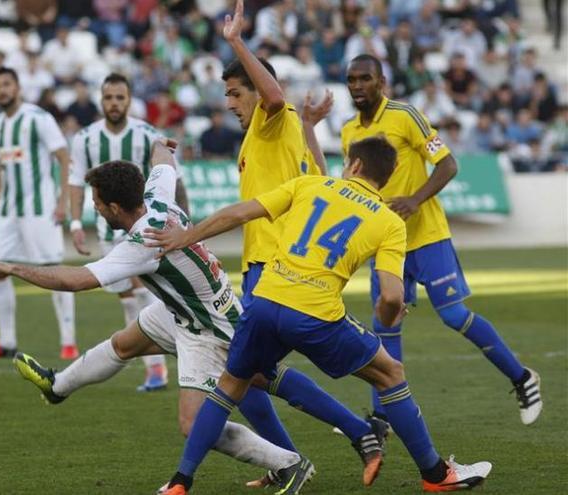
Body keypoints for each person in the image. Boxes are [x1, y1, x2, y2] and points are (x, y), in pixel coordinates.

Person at [0, 141, 390, 493]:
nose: (97, 210)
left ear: (115, 206)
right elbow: (163, 165)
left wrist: (13, 268)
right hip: (182, 310)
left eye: (99, 204)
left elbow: (77, 280)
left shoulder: (142, 242)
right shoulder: (156, 198)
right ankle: (58, 385)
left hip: (208, 326)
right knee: (125, 344)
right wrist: (160, 145)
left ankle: (293, 462)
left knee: (210, 414)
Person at [150, 136, 493, 494]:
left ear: (355, 166)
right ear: (386, 178)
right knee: (390, 373)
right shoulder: (389, 222)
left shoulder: (309, 185)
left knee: (229, 387)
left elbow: (238, 213)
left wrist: (186, 237)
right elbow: (391, 295)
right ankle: (437, 475)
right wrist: (389, 313)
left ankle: (179, 482)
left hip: (264, 300)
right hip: (315, 313)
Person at [218, 3, 391, 475]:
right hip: (281, 267)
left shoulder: (269, 118)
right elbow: (319, 177)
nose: (230, 103)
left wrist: (236, 42)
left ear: (256, 89)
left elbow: (273, 96)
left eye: (236, 93)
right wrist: (313, 129)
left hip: (272, 269)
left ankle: (345, 437)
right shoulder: (288, 128)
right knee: (252, 376)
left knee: (247, 374)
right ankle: (293, 459)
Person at [341, 54, 541, 426]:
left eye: (364, 78)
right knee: (385, 326)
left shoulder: (406, 116)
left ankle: (522, 377)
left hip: (427, 236)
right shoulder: (348, 131)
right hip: (386, 246)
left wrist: (415, 200)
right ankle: (381, 419)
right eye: (351, 79)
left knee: (453, 315)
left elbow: (448, 164)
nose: (357, 86)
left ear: (381, 81)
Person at [67, 72, 193, 391]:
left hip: (144, 226)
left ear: (129, 100)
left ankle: (162, 366)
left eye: (120, 97)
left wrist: (186, 227)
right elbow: (75, 182)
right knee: (126, 295)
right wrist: (77, 223)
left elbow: (173, 180)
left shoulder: (146, 134)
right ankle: (157, 365)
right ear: (101, 100)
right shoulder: (84, 138)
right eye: (109, 97)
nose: (114, 103)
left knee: (143, 289)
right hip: (108, 227)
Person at [0, 67, 77, 361]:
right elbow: (1, 170)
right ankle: (6, 342)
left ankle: (68, 341)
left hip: (40, 209)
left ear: (17, 87)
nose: (1, 90)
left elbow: (64, 157)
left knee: (53, 269)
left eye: (6, 84)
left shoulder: (38, 119)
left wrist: (62, 202)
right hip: (8, 211)